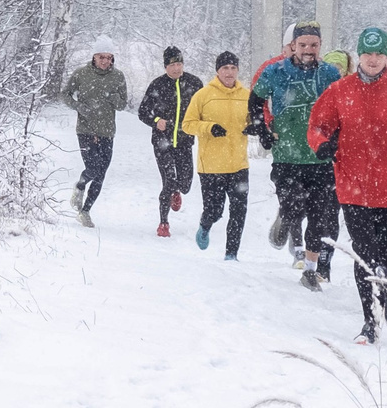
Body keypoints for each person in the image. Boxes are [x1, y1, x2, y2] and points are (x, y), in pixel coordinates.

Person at [307, 26, 387, 346]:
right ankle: (370, 322)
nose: (375, 60)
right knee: (365, 256)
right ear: (359, 55)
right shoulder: (340, 90)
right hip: (354, 187)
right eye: (369, 54)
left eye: (380, 54)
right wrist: (321, 144)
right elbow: (318, 125)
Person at [250, 23, 342, 288]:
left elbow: (342, 109)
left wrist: (336, 139)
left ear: (319, 47)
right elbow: (255, 100)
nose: (308, 50)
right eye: (302, 45)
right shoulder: (276, 71)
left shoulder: (330, 74)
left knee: (319, 216)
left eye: (313, 45)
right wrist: (261, 129)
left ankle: (310, 270)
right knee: (293, 205)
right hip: (287, 154)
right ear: (293, 46)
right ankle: (285, 217)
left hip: (320, 157)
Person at [179, 51, 253, 257]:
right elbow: (188, 125)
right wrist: (209, 127)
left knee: (239, 212)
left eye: (233, 68)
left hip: (239, 164)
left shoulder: (246, 95)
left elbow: (254, 120)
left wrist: (254, 126)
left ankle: (231, 254)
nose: (229, 73)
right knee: (215, 210)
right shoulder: (203, 95)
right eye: (225, 68)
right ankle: (205, 225)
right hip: (212, 166)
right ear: (217, 71)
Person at [135, 47, 202, 238]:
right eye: (172, 65)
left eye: (179, 64)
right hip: (162, 142)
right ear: (166, 66)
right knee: (169, 181)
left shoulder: (194, 83)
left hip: (184, 141)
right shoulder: (157, 85)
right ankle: (163, 222)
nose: (176, 68)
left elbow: (204, 108)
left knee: (186, 184)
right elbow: (143, 111)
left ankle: (177, 192)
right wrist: (157, 121)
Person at [60, 45, 127, 228]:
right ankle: (81, 185)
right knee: (94, 168)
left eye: (108, 57)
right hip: (86, 129)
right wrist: (79, 106)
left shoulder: (118, 76)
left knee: (101, 174)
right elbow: (64, 94)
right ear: (94, 57)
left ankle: (86, 211)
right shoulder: (82, 74)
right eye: (101, 57)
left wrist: (114, 99)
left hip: (107, 131)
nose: (105, 61)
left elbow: (122, 104)